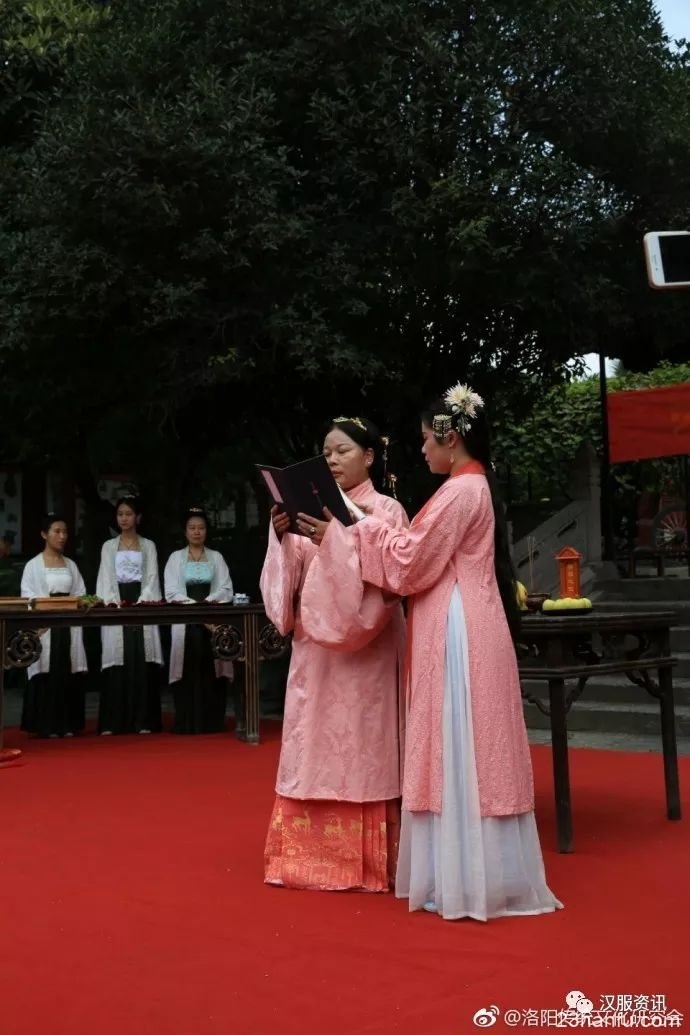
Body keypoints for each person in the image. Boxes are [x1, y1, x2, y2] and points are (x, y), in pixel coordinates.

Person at [302, 385, 562, 921]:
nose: (421, 450)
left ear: (451, 436)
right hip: (463, 617)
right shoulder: (470, 488)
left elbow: (412, 562)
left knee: (459, 748)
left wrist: (345, 535)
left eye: (425, 439)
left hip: (458, 625)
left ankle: (467, 879)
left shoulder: (462, 493)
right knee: (467, 749)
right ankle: (473, 873)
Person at [260, 417, 408, 893]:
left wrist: (338, 541)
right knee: (317, 745)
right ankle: (308, 860)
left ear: (369, 456)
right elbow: (292, 583)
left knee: (366, 745)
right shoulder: (312, 509)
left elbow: (395, 577)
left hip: (369, 653)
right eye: (326, 452)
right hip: (317, 651)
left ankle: (371, 862)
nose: (332, 459)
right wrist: (283, 536)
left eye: (342, 451)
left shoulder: (387, 512)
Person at [96, 495, 163, 735]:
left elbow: (152, 577)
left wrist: (142, 601)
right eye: (120, 514)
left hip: (141, 601)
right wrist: (114, 603)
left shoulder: (148, 545)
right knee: (117, 658)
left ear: (138, 517)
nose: (124, 518)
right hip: (116, 601)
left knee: (140, 656)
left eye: (128, 514)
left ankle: (144, 720)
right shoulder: (108, 546)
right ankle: (114, 722)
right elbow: (105, 577)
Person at [164, 507, 234, 734]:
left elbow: (226, 589)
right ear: (185, 532)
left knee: (212, 670)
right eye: (192, 528)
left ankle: (212, 721)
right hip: (186, 620)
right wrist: (195, 609)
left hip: (211, 621)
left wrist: (207, 605)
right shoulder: (175, 558)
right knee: (186, 668)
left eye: (201, 528)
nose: (197, 532)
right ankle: (186, 721)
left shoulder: (216, 557)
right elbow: (171, 592)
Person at [20, 514, 88, 738]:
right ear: (44, 534)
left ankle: (68, 723)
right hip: (46, 625)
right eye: (56, 531)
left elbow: (80, 593)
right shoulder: (32, 566)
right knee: (46, 671)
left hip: (68, 624)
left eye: (65, 532)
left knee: (67, 669)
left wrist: (75, 605)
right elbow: (28, 596)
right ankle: (45, 724)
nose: (62, 536)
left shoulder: (71, 564)